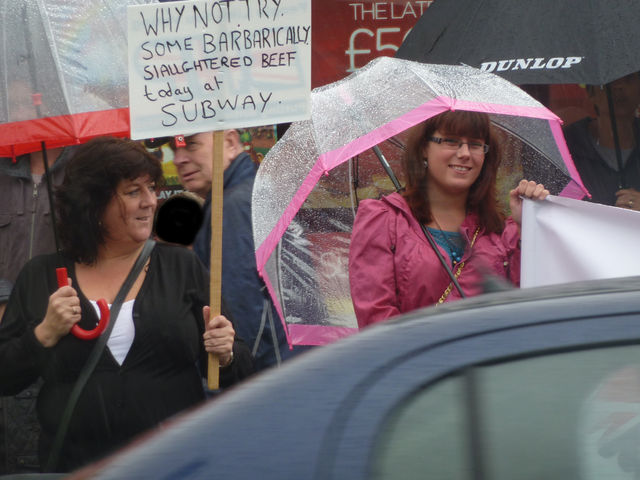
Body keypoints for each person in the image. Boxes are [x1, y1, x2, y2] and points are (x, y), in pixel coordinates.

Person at [0, 136, 254, 472]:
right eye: (134, 191)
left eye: (151, 188)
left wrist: (226, 355)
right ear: (92, 203)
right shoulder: (41, 277)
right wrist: (44, 333)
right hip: (76, 468)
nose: (150, 201)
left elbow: (240, 368)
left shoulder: (181, 267)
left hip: (175, 466)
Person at [349, 110, 549, 328]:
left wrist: (526, 228)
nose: (464, 153)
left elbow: (526, 310)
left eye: (475, 144)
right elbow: (376, 321)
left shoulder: (500, 231)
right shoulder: (384, 219)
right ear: (424, 148)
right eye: (451, 141)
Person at [169, 130, 296, 370]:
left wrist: (232, 378)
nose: (178, 159)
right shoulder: (253, 190)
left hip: (266, 378)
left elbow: (241, 316)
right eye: (174, 148)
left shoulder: (231, 207)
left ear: (229, 143)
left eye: (191, 145)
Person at [0, 146, 72, 475]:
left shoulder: (84, 169)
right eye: (15, 90)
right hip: (9, 336)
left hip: (67, 332)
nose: (24, 93)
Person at [563, 72, 640, 209]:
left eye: (628, 78)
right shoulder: (567, 146)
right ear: (590, 92)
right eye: (609, 81)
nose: (619, 87)